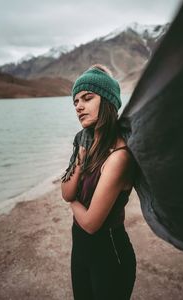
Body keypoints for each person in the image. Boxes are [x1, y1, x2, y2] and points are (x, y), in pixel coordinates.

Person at [61, 64, 137, 300]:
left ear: (107, 101)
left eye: (87, 98)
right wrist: (81, 156)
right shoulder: (85, 144)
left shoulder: (119, 157)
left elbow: (92, 223)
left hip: (109, 258)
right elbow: (66, 191)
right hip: (81, 252)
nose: (78, 106)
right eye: (75, 101)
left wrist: (72, 201)